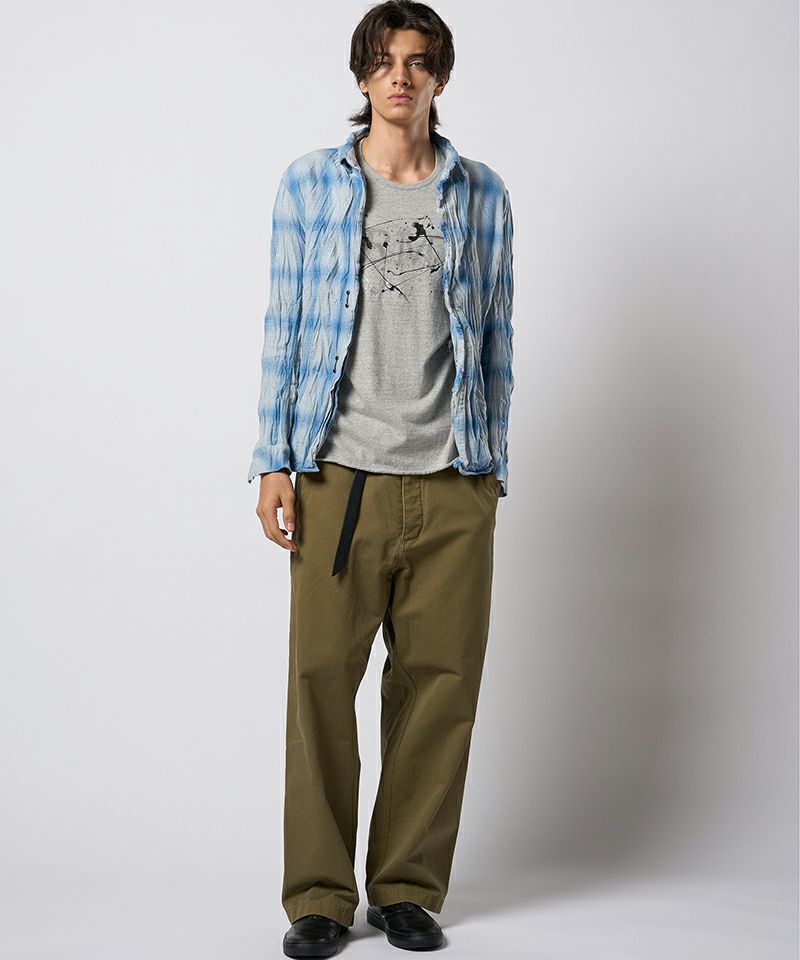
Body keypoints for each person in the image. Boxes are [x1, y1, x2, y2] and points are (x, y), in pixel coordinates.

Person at [247, 2, 515, 955]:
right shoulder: (311, 184)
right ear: (363, 76)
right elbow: (284, 326)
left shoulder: (481, 194)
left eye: (419, 61)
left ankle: (406, 887)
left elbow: (497, 333)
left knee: (441, 687)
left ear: (440, 76)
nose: (401, 77)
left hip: (451, 475)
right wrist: (274, 460)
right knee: (320, 685)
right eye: (385, 61)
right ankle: (319, 898)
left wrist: (489, 471)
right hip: (339, 475)